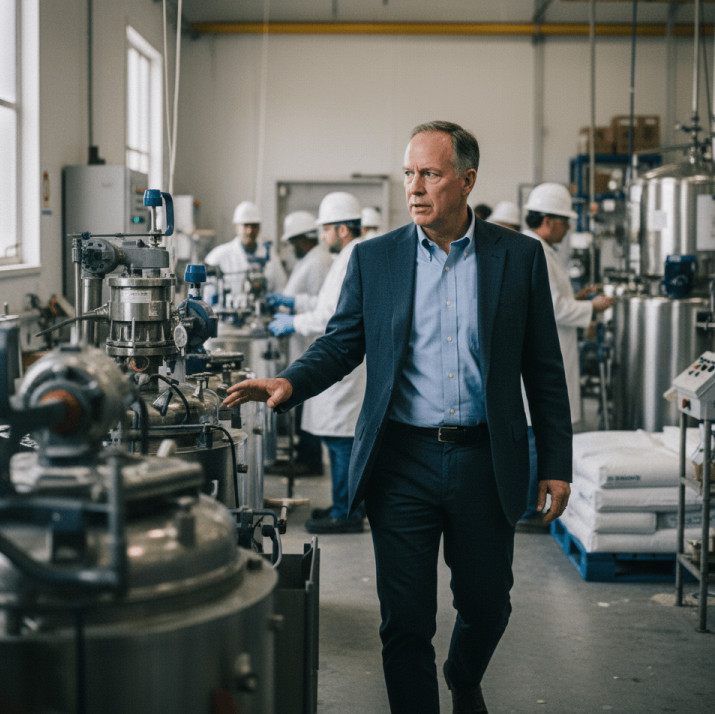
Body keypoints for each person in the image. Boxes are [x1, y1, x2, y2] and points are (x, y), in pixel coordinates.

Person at [224, 121, 572, 714]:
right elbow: (341, 343)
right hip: (402, 461)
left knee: (488, 604)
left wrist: (557, 464)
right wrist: (290, 381)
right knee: (405, 622)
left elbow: (543, 368)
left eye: (430, 174)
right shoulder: (375, 259)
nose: (414, 187)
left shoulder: (518, 258)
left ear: (466, 181)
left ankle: (463, 676)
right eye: (409, 173)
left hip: (485, 459)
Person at [266, 192, 367, 534]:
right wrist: (293, 302)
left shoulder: (353, 256)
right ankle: (344, 505)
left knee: (341, 441)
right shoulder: (348, 255)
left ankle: (348, 513)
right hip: (341, 365)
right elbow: (326, 301)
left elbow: (329, 316)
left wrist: (293, 321)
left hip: (344, 367)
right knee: (339, 439)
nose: (322, 236)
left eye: (325, 229)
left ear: (340, 229)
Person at [517, 182, 611, 532]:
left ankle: (533, 508)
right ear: (549, 220)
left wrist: (581, 297)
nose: (569, 227)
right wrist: (592, 306)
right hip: (545, 355)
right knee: (534, 437)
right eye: (565, 220)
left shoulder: (544, 249)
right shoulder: (536, 250)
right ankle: (531, 511)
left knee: (539, 433)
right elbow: (555, 307)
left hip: (555, 352)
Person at [264, 210, 334, 477]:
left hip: (311, 340)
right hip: (303, 339)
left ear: (303, 238)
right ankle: (303, 453)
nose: (290, 247)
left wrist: (292, 312)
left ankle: (309, 459)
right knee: (302, 402)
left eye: (292, 241)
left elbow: (322, 308)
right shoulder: (311, 259)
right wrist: (288, 302)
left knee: (306, 402)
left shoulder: (318, 261)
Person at [204, 201, 285, 304]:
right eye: (246, 225)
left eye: (254, 226)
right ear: (237, 227)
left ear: (259, 227)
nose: (250, 231)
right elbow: (208, 296)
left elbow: (280, 287)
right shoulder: (218, 256)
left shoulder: (270, 256)